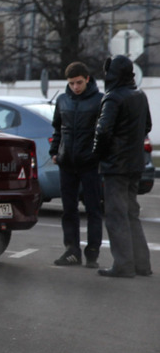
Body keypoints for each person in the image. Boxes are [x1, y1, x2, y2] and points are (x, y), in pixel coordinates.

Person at [92, 54, 153, 278]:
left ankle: (124, 265)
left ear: (112, 73)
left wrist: (97, 155)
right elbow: (147, 125)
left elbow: (102, 131)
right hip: (135, 164)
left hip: (115, 166)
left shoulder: (113, 98)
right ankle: (142, 265)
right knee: (131, 214)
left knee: (117, 215)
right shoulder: (140, 95)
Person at [49, 62, 104, 267]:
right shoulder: (63, 100)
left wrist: (97, 156)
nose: (75, 87)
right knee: (68, 210)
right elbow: (58, 129)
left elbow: (104, 133)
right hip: (67, 164)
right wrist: (55, 152)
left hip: (89, 164)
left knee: (93, 210)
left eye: (79, 82)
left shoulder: (99, 100)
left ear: (87, 79)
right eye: (71, 83)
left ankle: (92, 254)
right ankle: (72, 251)